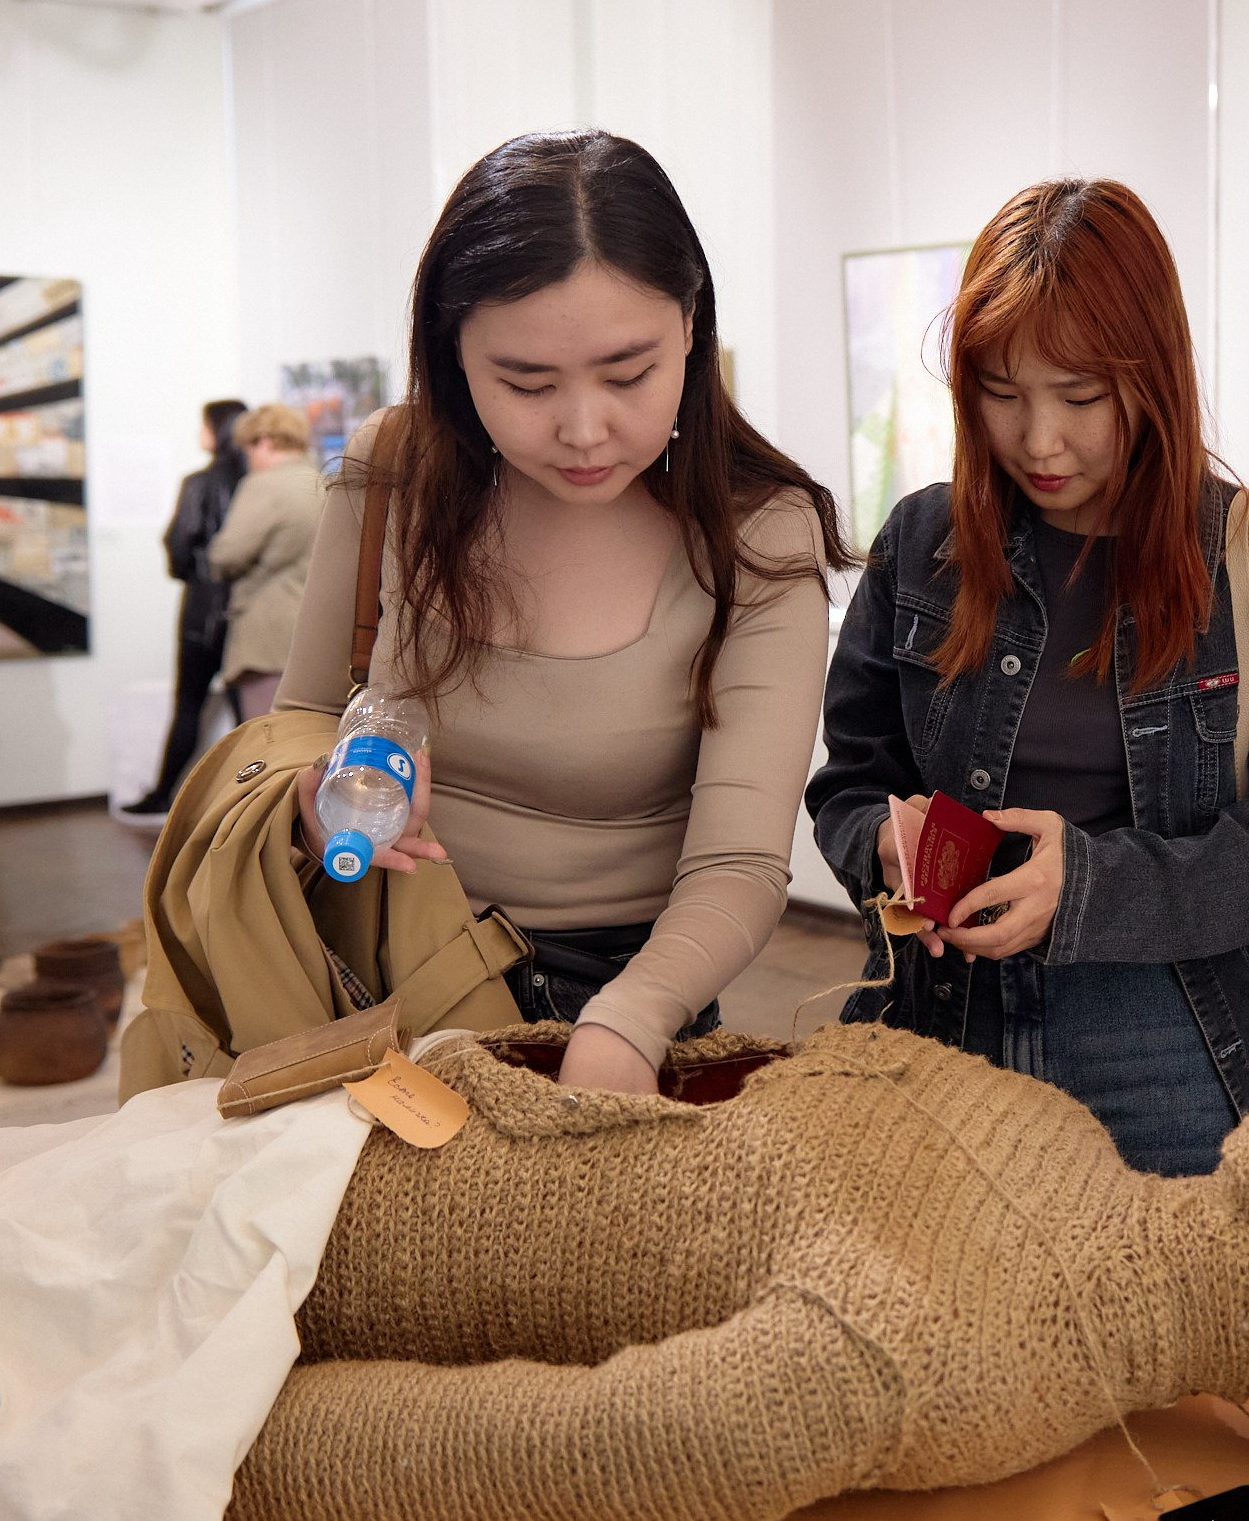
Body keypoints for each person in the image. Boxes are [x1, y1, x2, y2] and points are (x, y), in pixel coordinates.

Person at [271, 128, 849, 1095]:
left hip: (630, 995)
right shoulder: (396, 474)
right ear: (453, 355)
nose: (584, 430)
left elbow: (742, 861)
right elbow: (295, 727)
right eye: (525, 383)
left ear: (693, 328)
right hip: (377, 976)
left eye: (629, 375)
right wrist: (311, 795)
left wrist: (627, 1021)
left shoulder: (758, 533)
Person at [807, 178, 1249, 1177]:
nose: (1039, 440)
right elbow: (849, 780)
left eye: (1080, 397)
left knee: (1166, 1328)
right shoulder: (924, 542)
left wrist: (1091, 885)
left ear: (1151, 376)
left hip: (1168, 1037)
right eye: (1003, 394)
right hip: (939, 1022)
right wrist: (883, 846)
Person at [124, 399, 248, 819]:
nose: (199, 434)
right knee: (249, 711)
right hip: (247, 610)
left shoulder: (198, 483)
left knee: (189, 706)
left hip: (202, 613)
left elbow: (178, 545)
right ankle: (252, 803)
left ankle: (163, 795)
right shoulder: (258, 482)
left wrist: (190, 569)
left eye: (203, 426)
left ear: (217, 430)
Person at [209, 402, 322, 721]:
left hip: (267, 639)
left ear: (265, 442)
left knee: (265, 751)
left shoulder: (264, 485)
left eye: (248, 449)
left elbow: (225, 554)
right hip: (314, 635)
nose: (249, 459)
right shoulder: (323, 483)